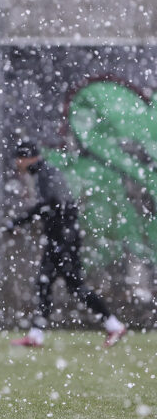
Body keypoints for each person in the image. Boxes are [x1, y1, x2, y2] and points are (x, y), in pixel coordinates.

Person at [7, 140, 126, 347]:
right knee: (45, 283)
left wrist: (19, 221)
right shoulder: (44, 174)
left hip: (63, 239)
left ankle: (114, 325)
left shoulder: (46, 175)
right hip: (61, 238)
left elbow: (50, 204)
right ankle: (36, 335)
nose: (17, 163)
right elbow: (52, 205)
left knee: (74, 286)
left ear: (28, 158)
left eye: (19, 158)